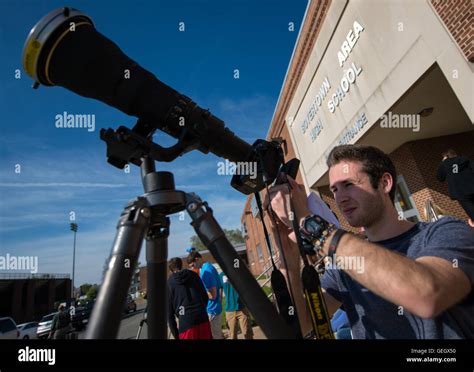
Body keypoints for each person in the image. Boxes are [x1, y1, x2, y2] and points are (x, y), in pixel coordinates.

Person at [267, 144, 474, 339]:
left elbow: (427, 296)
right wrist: (288, 259)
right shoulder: (345, 263)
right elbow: (302, 325)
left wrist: (308, 222)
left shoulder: (447, 231)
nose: (340, 198)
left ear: (385, 183)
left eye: (349, 184)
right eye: (335, 190)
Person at [167, 257, 212, 339]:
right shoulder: (193, 275)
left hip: (186, 324)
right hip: (202, 319)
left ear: (171, 270)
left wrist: (176, 336)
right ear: (181, 265)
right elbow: (205, 296)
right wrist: (200, 309)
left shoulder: (169, 284)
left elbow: (170, 316)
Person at [187, 251, 224, 339]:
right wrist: (219, 302)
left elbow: (213, 295)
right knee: (217, 335)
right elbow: (220, 287)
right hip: (215, 308)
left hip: (211, 310)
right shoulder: (210, 267)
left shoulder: (205, 271)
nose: (192, 268)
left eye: (192, 265)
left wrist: (197, 295)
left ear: (197, 259)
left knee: (215, 337)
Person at [437, 149, 474, 224]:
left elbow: (440, 178)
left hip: (460, 193)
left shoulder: (444, 164)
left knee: (471, 211)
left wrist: (443, 162)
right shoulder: (465, 159)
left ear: (446, 157)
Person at [219, 272, 253, 339]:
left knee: (248, 334)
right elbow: (220, 292)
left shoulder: (236, 272)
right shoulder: (221, 276)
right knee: (232, 336)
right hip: (229, 310)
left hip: (242, 308)